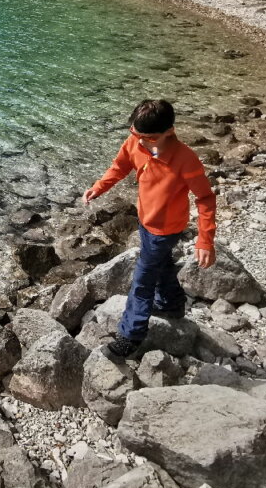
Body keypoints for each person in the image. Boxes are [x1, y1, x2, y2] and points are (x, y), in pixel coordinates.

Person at [82, 99, 216, 361]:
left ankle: (130, 336)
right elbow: (119, 166)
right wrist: (99, 187)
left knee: (142, 281)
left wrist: (205, 240)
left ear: (169, 132)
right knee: (161, 264)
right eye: (136, 135)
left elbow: (205, 199)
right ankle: (172, 304)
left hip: (167, 229)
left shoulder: (185, 159)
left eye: (149, 138)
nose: (141, 142)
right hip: (145, 221)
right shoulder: (136, 141)